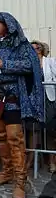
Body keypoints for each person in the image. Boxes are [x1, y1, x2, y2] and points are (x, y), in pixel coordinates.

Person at [0, 11, 43, 198]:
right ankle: (6, 172)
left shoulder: (21, 45)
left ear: (9, 24)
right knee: (2, 137)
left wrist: (5, 65)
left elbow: (31, 65)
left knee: (15, 138)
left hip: (13, 98)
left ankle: (20, 182)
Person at [31, 40, 56, 172]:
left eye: (34, 48)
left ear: (40, 49)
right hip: (35, 100)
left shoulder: (50, 62)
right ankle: (33, 160)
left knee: (50, 130)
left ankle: (52, 161)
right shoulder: (30, 64)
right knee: (34, 129)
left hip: (48, 98)